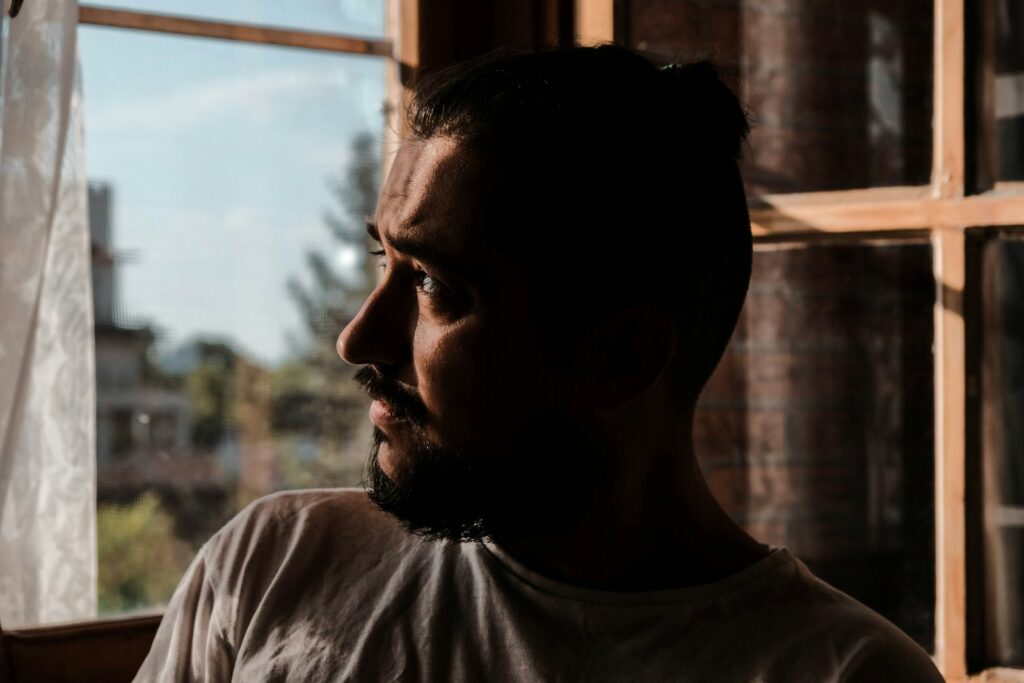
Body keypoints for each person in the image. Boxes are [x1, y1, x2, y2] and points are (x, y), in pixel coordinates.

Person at [136, 45, 944, 681]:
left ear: (619, 357)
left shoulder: (845, 672)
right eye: (381, 260)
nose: (357, 339)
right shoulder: (274, 567)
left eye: (430, 284)